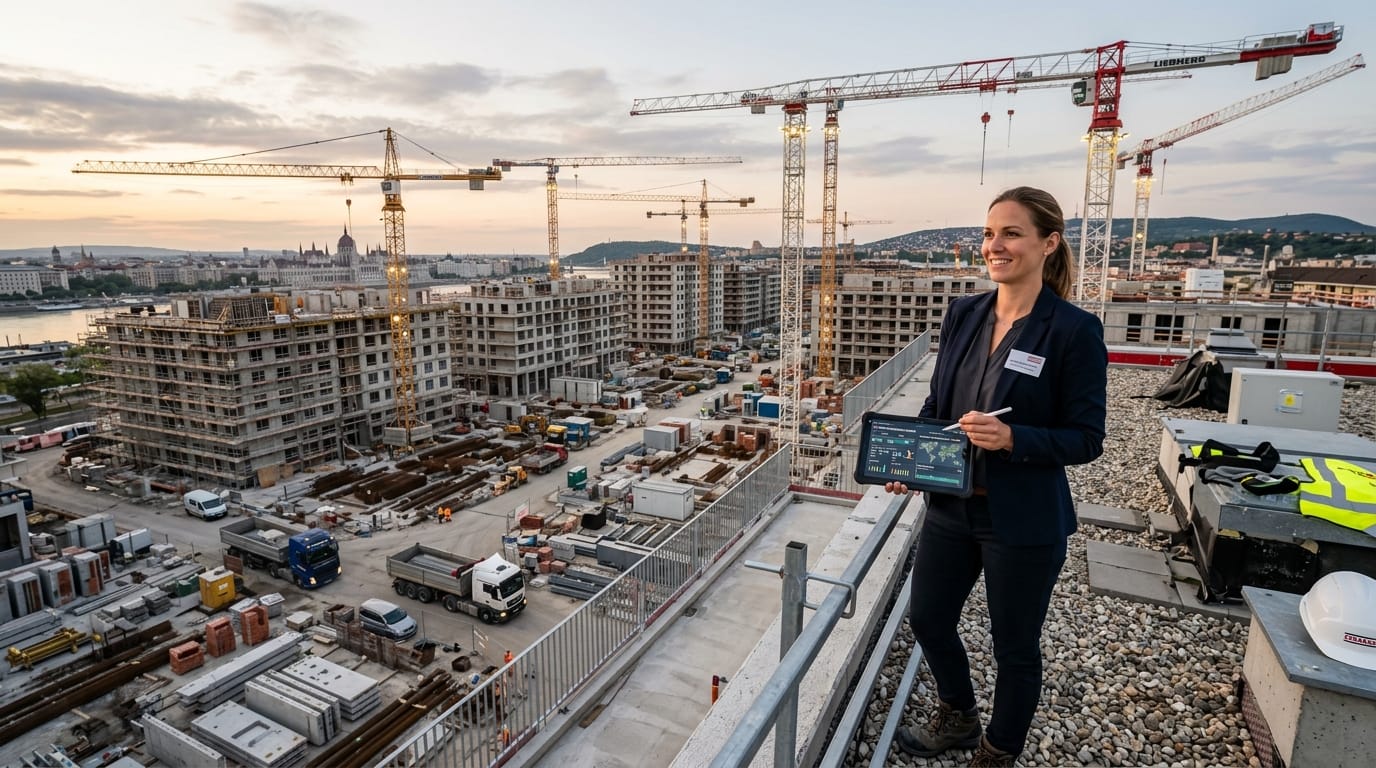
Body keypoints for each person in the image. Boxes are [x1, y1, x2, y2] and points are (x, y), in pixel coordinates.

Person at [887, 186, 1107, 766]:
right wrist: (912, 461)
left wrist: (1014, 438)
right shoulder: (964, 313)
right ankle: (958, 715)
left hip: (1024, 517)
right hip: (951, 507)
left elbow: (1086, 438)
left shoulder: (1073, 330)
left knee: (1015, 647)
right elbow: (939, 406)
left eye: (1011, 233)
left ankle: (998, 750)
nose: (995, 245)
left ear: (1049, 243)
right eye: (989, 233)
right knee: (928, 618)